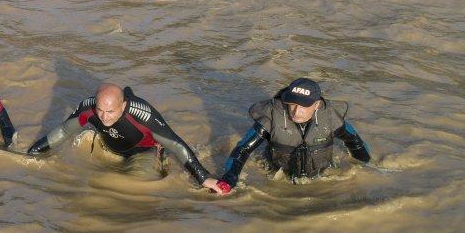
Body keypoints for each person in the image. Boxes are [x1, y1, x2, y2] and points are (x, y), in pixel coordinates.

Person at [27, 82, 229, 193]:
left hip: (144, 152)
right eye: (100, 110)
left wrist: (204, 178)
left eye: (111, 111)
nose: (104, 117)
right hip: (110, 149)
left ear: (123, 106)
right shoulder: (89, 107)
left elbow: (175, 144)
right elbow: (63, 131)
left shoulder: (143, 114)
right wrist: (32, 152)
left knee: (132, 188)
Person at [218, 78, 371, 191]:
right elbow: (242, 149)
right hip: (278, 177)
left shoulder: (330, 118)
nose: (296, 112)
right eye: (292, 104)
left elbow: (355, 141)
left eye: (304, 106)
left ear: (317, 105)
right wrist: (230, 178)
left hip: (323, 177)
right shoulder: (271, 118)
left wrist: (367, 167)